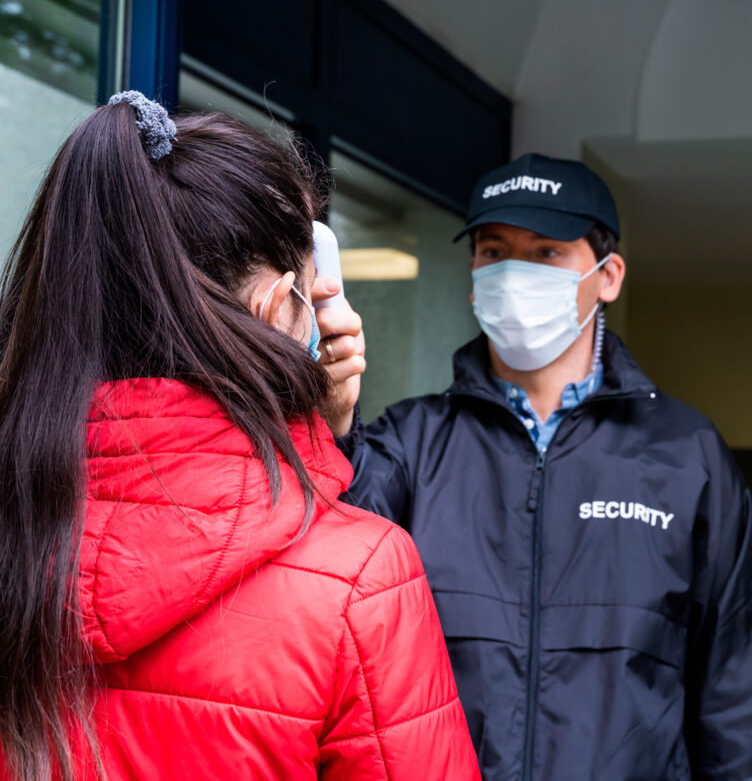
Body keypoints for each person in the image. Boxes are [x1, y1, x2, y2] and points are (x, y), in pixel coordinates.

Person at [0, 92, 480, 781]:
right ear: (275, 304)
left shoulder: (19, 518)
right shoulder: (362, 577)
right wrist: (312, 432)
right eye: (312, 295)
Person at [319, 153, 752, 780]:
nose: (513, 273)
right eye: (494, 252)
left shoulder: (686, 457)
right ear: (472, 273)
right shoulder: (409, 443)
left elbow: (738, 705)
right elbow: (318, 557)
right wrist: (327, 419)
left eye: (546, 253)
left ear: (609, 275)